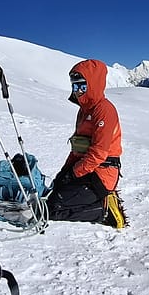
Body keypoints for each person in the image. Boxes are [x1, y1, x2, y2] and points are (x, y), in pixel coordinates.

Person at [48, 59, 127, 228]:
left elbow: (99, 153)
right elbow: (78, 147)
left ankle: (103, 209)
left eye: (81, 86)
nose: (77, 91)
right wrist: (65, 171)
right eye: (74, 86)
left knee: (54, 208)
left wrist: (74, 173)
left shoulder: (104, 110)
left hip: (102, 174)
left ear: (93, 84)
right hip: (86, 170)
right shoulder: (84, 111)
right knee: (52, 194)